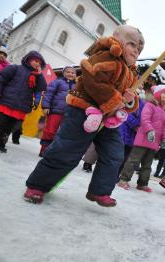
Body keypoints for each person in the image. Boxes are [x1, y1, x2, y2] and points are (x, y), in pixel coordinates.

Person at [23, 25, 144, 207]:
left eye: (139, 48)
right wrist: (115, 99)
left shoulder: (131, 71)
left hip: (107, 117)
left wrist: (128, 100)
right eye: (132, 44)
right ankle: (37, 186)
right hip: (83, 109)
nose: (136, 50)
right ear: (118, 42)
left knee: (114, 154)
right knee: (67, 149)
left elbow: (130, 100)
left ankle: (100, 191)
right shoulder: (105, 56)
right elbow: (92, 78)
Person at [0, 51, 47, 153]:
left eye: (40, 63)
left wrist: (40, 74)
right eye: (35, 61)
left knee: (8, 128)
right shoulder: (15, 68)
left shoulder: (37, 77)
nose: (37, 64)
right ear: (28, 59)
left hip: (20, 107)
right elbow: (0, 78)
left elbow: (42, 87)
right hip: (6, 102)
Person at [117, 84, 165, 192]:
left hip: (154, 142)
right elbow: (145, 120)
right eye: (164, 93)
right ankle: (123, 179)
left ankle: (142, 183)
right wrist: (150, 130)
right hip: (143, 139)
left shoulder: (164, 111)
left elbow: (164, 127)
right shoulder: (149, 105)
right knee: (133, 160)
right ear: (158, 94)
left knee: (147, 164)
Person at [39, 66, 76, 156]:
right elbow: (48, 94)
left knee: (63, 133)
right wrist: (46, 106)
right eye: (68, 72)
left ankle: (54, 151)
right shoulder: (57, 82)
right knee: (50, 130)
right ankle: (44, 149)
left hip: (69, 114)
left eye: (72, 73)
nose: (70, 74)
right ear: (63, 73)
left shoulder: (77, 86)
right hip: (56, 111)